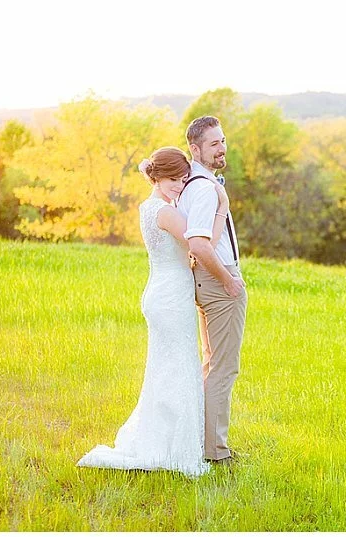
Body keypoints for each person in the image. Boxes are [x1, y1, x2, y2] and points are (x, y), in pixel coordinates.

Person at [76, 146, 229, 478]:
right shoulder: (165, 212)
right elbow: (205, 243)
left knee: (166, 370)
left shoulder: (150, 207)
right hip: (170, 297)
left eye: (183, 178)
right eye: (173, 178)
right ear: (157, 177)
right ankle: (172, 449)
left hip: (163, 292)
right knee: (179, 369)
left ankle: (165, 440)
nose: (178, 184)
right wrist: (222, 208)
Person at [177, 116, 247, 466]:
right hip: (219, 285)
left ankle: (207, 444)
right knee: (223, 368)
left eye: (223, 141)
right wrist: (229, 280)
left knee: (213, 365)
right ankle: (216, 453)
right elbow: (200, 245)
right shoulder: (204, 187)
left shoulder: (195, 183)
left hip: (208, 283)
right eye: (214, 143)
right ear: (196, 148)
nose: (222, 148)